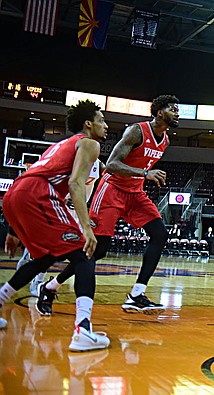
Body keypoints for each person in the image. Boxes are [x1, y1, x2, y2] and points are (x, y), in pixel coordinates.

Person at [39, 95, 179, 316]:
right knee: (98, 249)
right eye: (173, 108)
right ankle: (50, 287)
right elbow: (112, 165)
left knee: (160, 234)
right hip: (112, 190)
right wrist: (145, 173)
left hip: (135, 193)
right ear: (160, 112)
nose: (177, 112)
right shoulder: (137, 131)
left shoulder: (165, 140)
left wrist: (142, 177)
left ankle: (136, 294)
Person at [0, 99, 109, 351]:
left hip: (16, 194)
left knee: (44, 259)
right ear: (88, 123)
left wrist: (13, 230)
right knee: (85, 255)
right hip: (38, 195)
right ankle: (83, 329)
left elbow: (32, 180)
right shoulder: (90, 143)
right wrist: (87, 228)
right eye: (101, 120)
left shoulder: (60, 144)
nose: (105, 125)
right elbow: (75, 184)